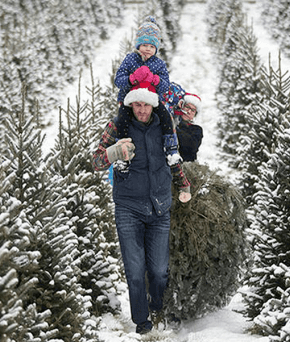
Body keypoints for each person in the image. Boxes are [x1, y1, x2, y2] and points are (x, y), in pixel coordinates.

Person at [92, 80, 192, 335]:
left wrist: (184, 186)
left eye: (146, 105)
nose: (142, 110)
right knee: (135, 272)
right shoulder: (118, 124)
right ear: (130, 104)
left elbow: (173, 157)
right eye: (137, 104)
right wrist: (115, 151)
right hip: (128, 207)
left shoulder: (163, 123)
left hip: (159, 206)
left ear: (153, 104)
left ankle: (156, 305)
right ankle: (142, 323)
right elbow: (96, 161)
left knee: (159, 271)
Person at [112, 16, 180, 174]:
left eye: (151, 46)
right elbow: (118, 80)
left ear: (156, 48)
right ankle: (122, 155)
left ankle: (171, 150)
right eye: (144, 45)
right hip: (130, 101)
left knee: (165, 117)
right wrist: (132, 78)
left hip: (151, 101)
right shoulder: (130, 59)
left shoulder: (159, 64)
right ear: (138, 45)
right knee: (122, 120)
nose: (147, 49)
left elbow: (165, 86)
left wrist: (154, 79)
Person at [162, 83, 203, 162]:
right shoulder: (171, 120)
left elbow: (190, 146)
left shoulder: (197, 129)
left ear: (195, 115)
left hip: (186, 166)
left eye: (193, 110)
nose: (189, 111)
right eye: (187, 107)